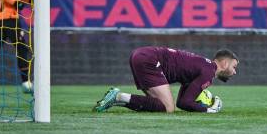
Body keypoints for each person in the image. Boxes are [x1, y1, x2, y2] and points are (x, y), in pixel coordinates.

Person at [93, 47, 239, 113]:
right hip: (149, 59)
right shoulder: (209, 71)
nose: (234, 72)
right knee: (167, 108)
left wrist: (200, 106)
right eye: (234, 66)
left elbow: (183, 101)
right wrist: (208, 109)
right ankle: (119, 96)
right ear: (224, 63)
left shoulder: (204, 66)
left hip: (142, 55)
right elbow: (186, 103)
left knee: (157, 106)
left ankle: (114, 99)